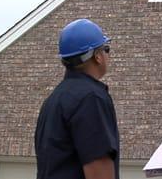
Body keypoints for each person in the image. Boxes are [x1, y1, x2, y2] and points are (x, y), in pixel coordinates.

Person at [35, 19, 119, 179]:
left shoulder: (53, 99)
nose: (109, 56)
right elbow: (99, 173)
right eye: (106, 49)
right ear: (97, 57)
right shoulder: (91, 98)